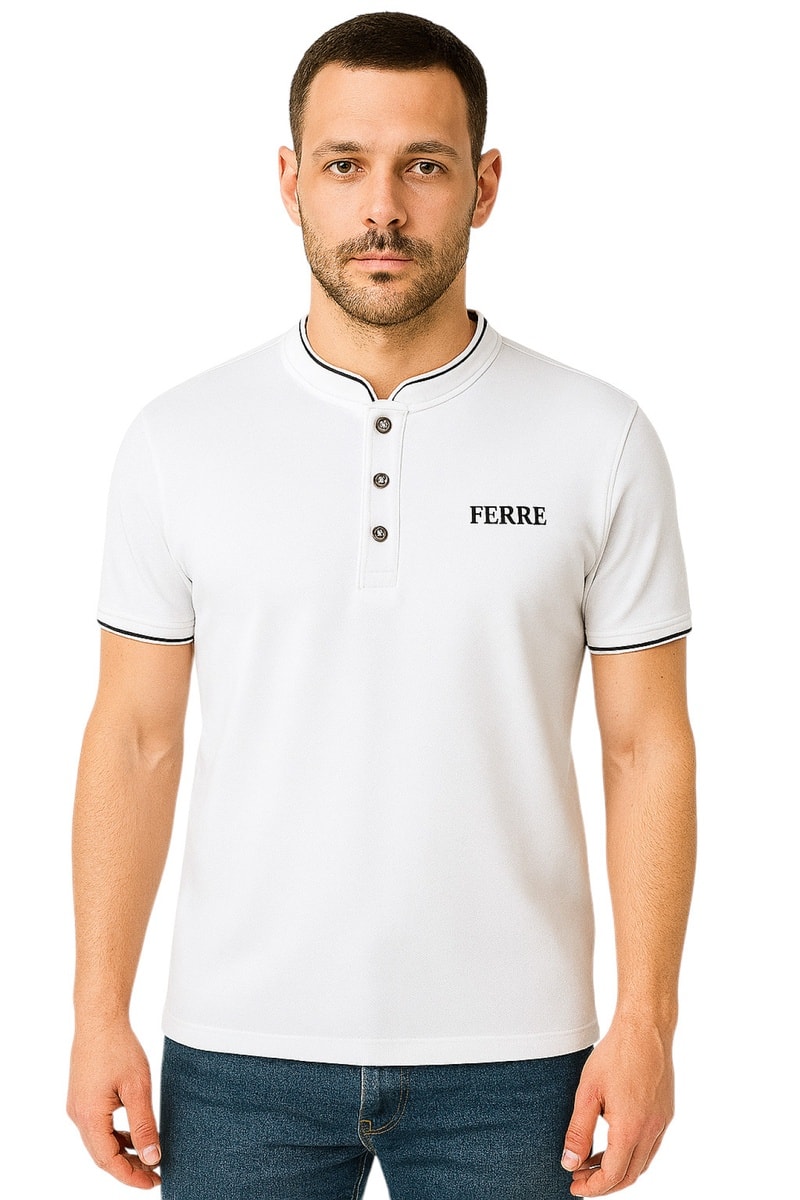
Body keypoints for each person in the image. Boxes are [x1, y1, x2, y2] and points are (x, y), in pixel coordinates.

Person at [67, 12, 696, 1199]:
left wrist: (646, 1021)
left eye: (424, 165)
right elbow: (136, 737)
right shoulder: (177, 440)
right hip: (236, 1057)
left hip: (519, 1064)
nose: (383, 209)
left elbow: (643, 744)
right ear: (289, 181)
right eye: (345, 164)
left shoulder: (597, 438)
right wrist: (98, 1011)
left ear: (484, 184)